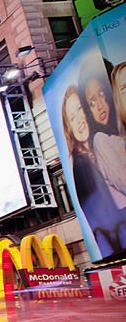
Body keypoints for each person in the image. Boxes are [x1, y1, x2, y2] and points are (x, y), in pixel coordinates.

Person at [63, 85, 126, 257]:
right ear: (68, 126)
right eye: (72, 118)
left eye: (80, 110)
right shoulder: (82, 165)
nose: (80, 121)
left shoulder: (94, 151)